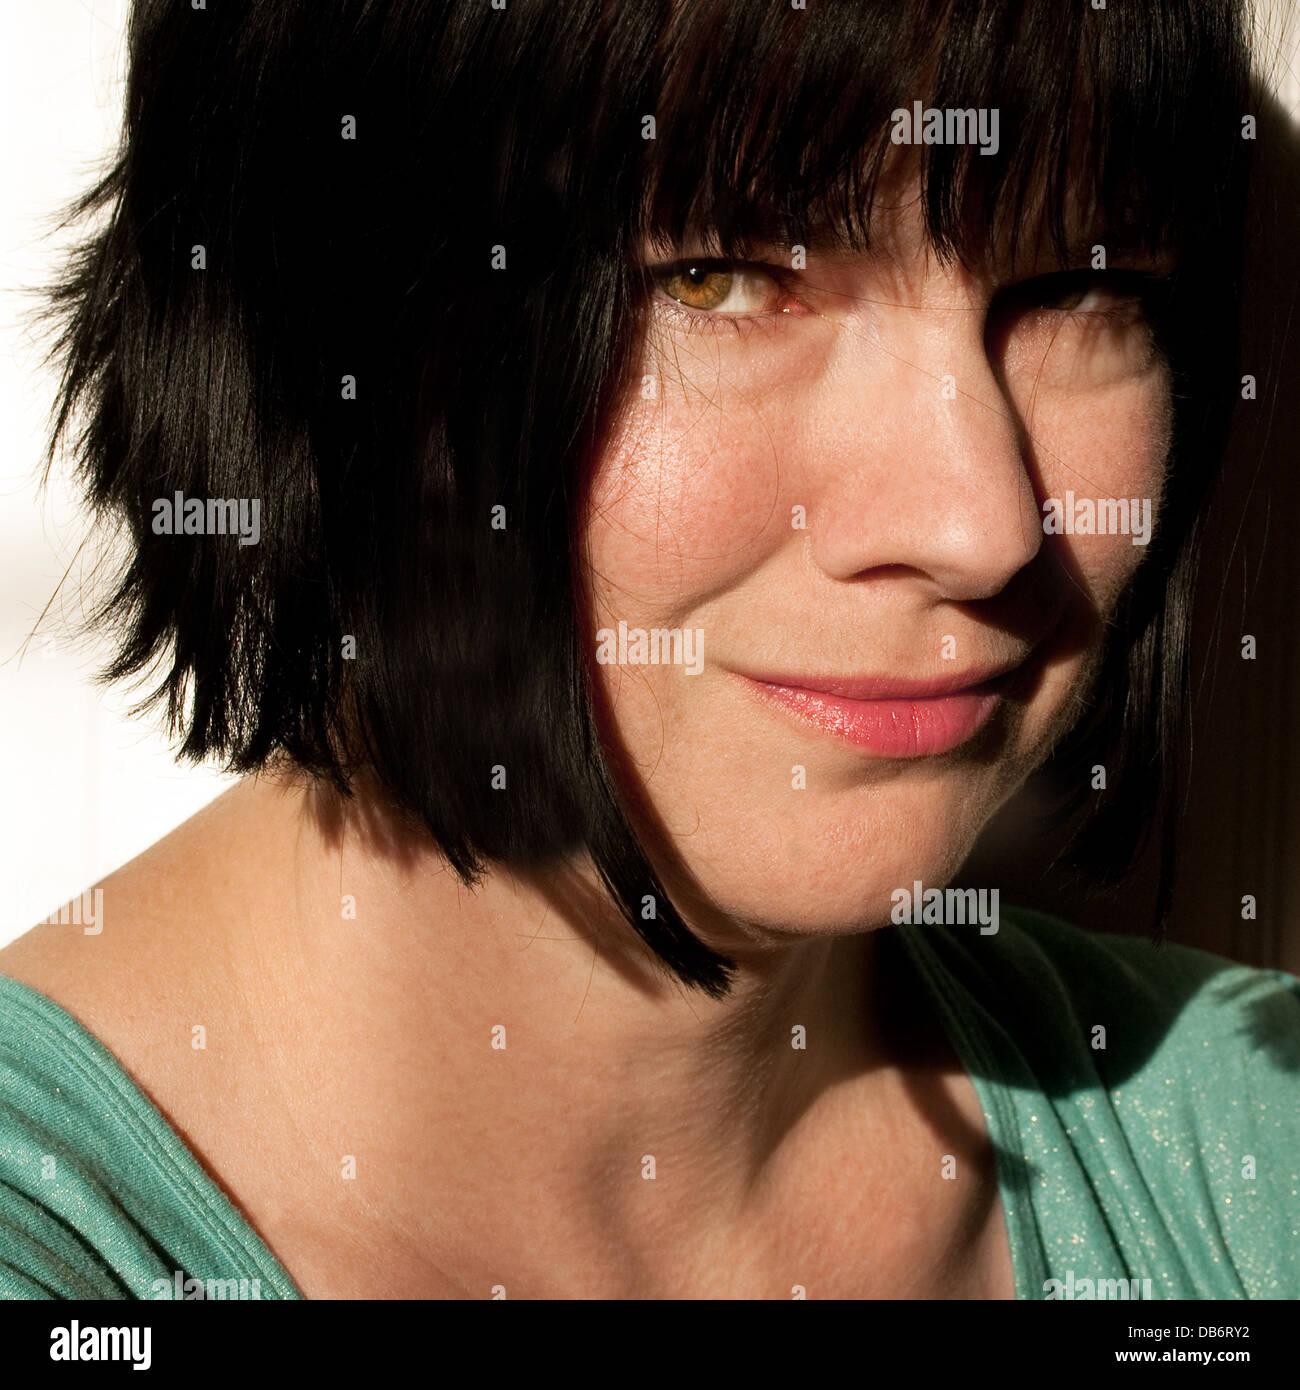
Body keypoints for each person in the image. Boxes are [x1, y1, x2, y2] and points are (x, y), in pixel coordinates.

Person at [1, 0, 1294, 1301]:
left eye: (1082, 285)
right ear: (314, 324)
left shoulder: (1255, 1162)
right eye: (720, 274)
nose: (981, 525)